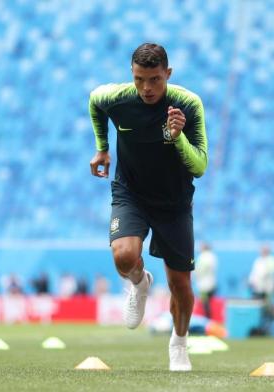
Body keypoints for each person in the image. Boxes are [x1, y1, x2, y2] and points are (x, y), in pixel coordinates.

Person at [89, 43, 208, 371]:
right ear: (132, 73)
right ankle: (140, 283)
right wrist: (102, 148)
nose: (147, 88)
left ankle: (179, 345)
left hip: (174, 202)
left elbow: (200, 166)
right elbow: (94, 102)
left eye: (155, 79)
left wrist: (176, 137)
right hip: (131, 194)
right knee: (124, 256)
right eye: (140, 79)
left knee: (181, 285)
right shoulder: (116, 98)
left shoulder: (187, 104)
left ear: (168, 74)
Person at [195, 242, 217, 319]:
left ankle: (207, 319)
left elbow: (198, 269)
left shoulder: (203, 257)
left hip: (204, 285)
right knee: (209, 303)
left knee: (205, 303)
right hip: (212, 283)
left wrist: (192, 263)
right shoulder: (213, 256)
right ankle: (210, 318)